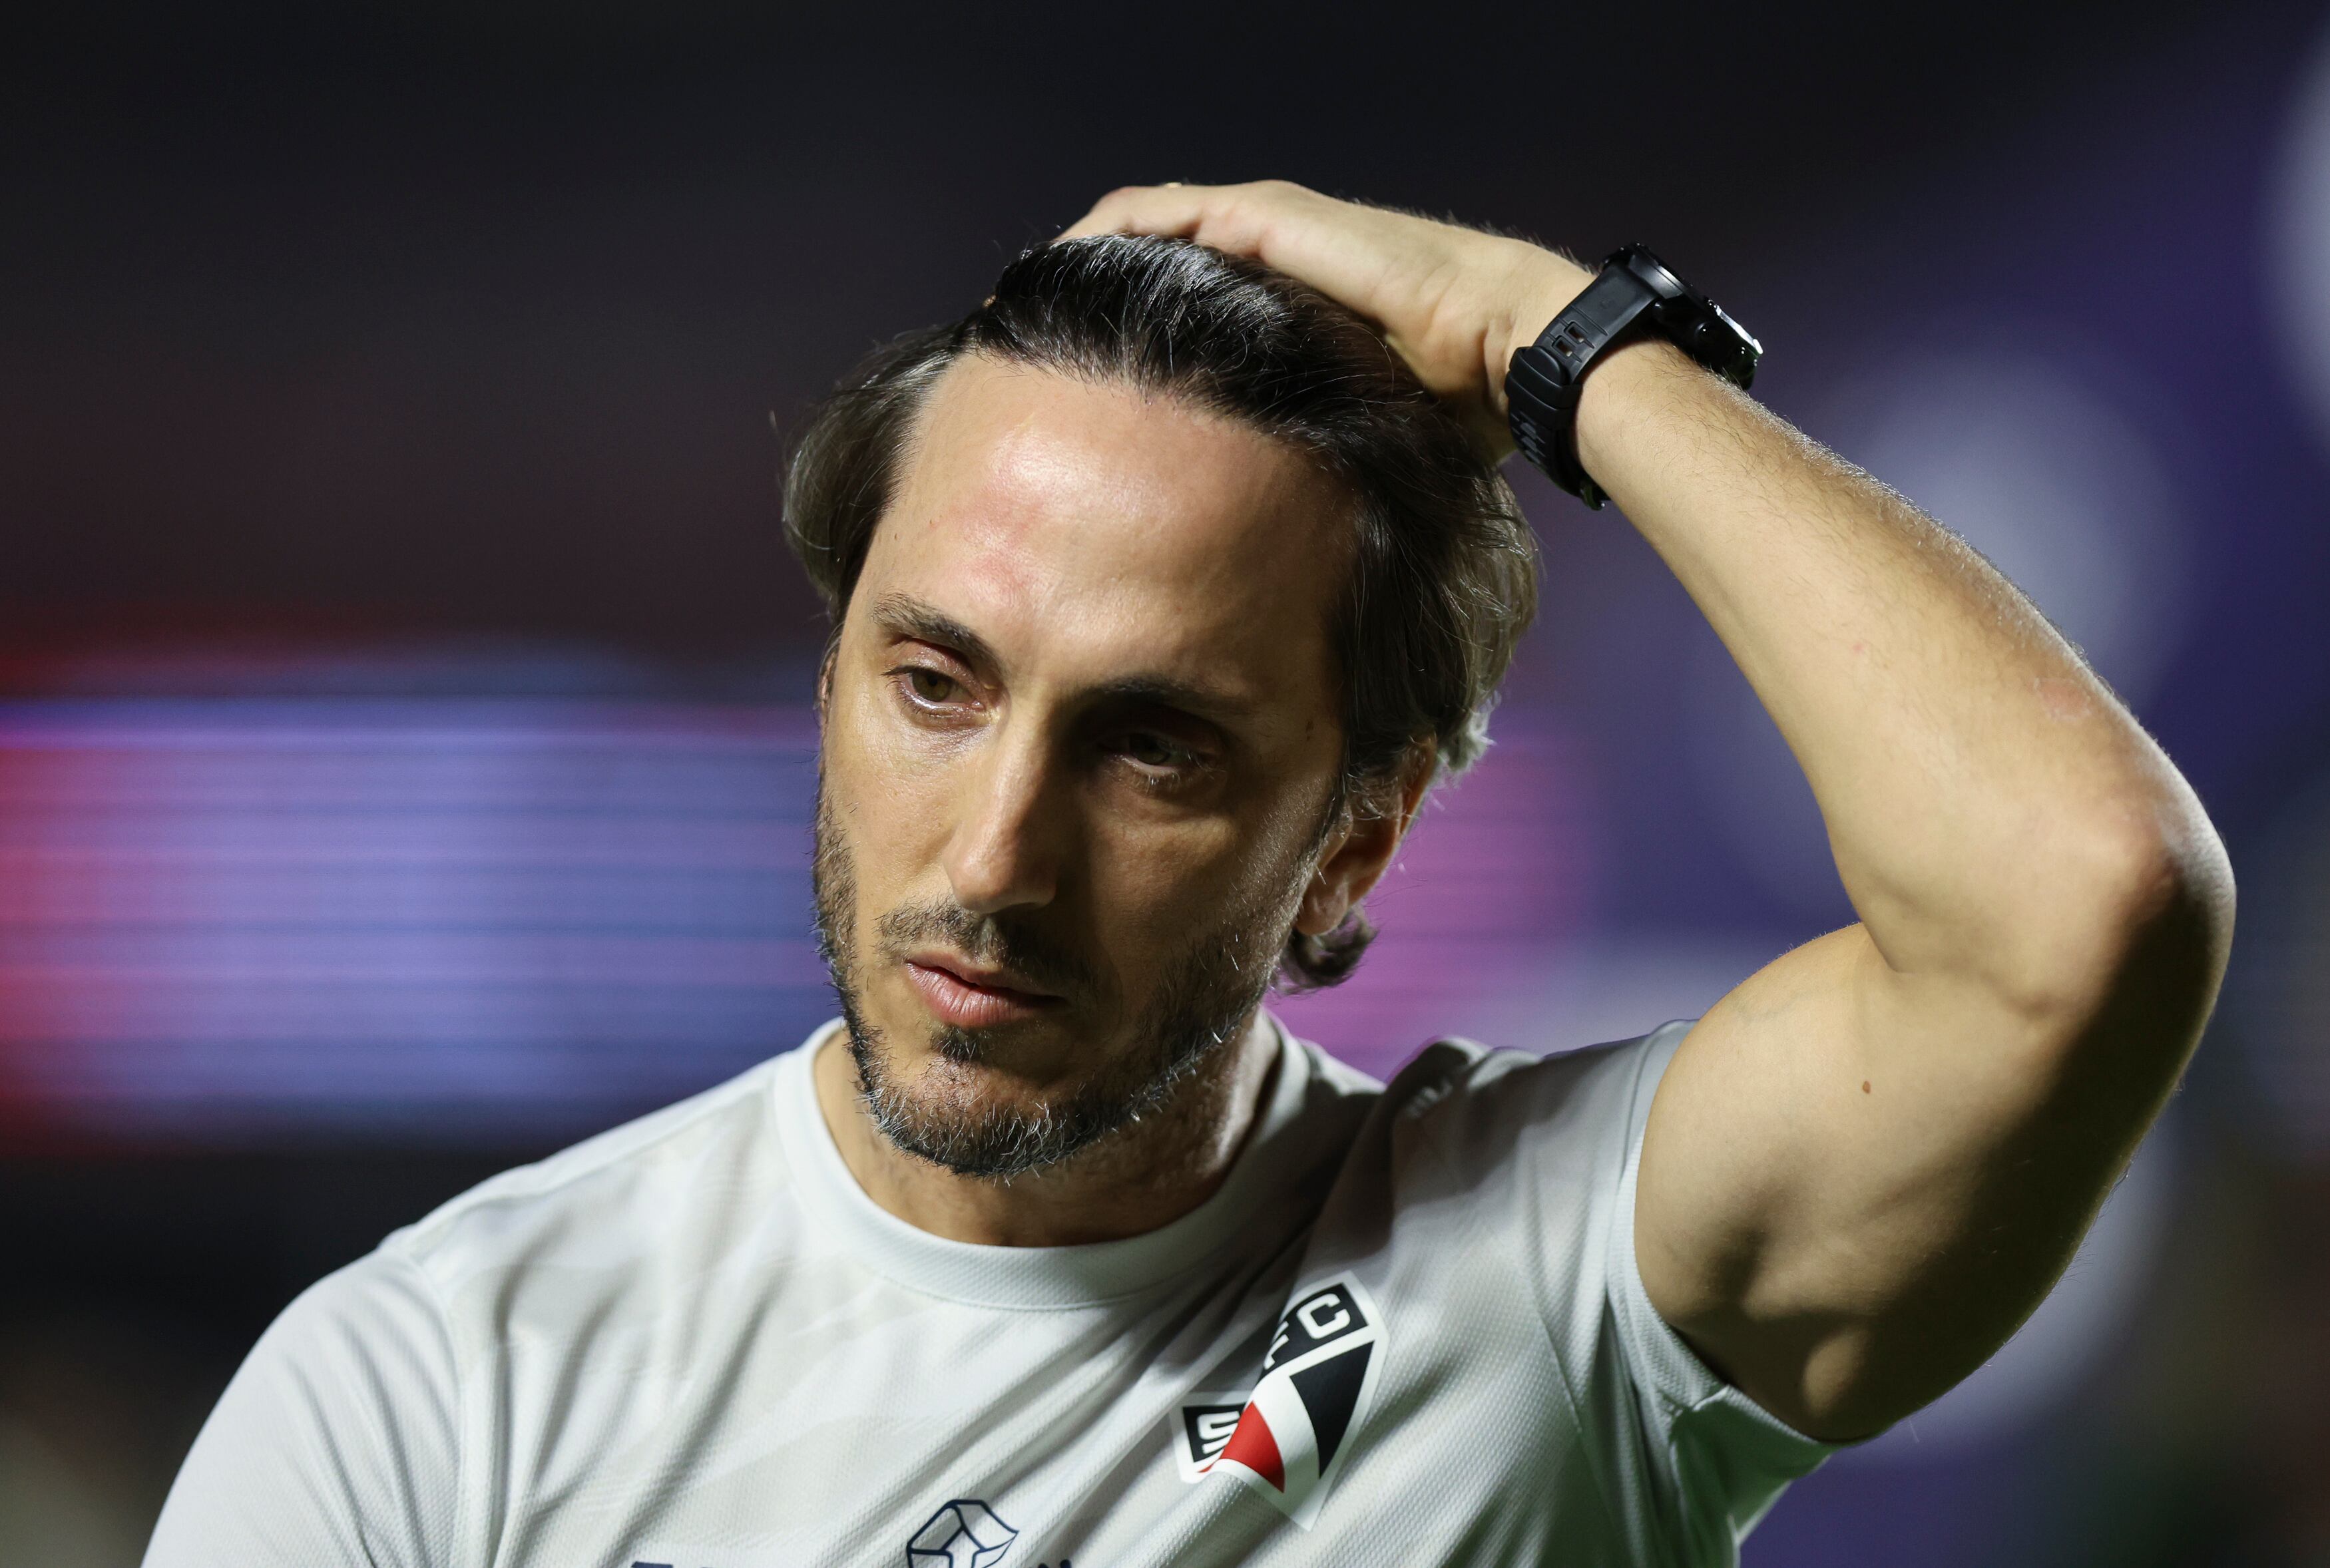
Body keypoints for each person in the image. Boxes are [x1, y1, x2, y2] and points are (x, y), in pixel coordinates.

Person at [142, 183, 2233, 1567]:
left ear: (1357, 834)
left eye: (1154, 745)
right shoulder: (440, 1387)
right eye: (935, 681)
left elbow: (2081, 901)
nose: (990, 857)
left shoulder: (1551, 1277)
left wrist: (1557, 335)